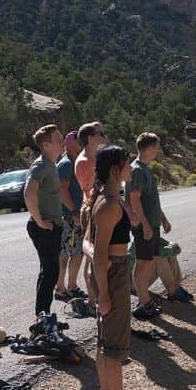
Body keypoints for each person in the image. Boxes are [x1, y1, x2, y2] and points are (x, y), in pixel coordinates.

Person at [80, 145, 145, 390]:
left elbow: (89, 244)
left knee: (105, 339)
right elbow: (99, 249)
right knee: (114, 347)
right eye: (127, 164)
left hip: (113, 271)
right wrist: (104, 292)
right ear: (116, 169)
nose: (131, 167)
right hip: (114, 275)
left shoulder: (111, 200)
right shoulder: (107, 205)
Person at [127, 132, 185, 319]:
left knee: (147, 262)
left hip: (151, 224)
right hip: (144, 226)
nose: (158, 151)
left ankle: (145, 301)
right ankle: (143, 303)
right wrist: (144, 224)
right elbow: (134, 199)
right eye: (156, 147)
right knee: (142, 264)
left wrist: (163, 218)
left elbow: (151, 200)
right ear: (149, 148)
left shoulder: (145, 168)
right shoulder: (137, 169)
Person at [23, 124, 64, 319]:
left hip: (52, 226)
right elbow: (29, 194)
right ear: (46, 145)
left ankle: (43, 315)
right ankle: (42, 317)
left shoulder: (52, 165)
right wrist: (39, 221)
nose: (62, 143)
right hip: (44, 227)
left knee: (50, 271)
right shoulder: (40, 165)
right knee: (50, 271)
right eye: (58, 140)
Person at [74, 122, 107, 304]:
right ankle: (93, 301)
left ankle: (97, 299)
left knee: (99, 255)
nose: (104, 137)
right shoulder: (85, 162)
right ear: (89, 138)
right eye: (100, 133)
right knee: (93, 257)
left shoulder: (94, 157)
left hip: (98, 208)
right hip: (92, 210)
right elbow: (91, 189)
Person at [55, 131, 86, 302]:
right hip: (68, 217)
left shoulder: (74, 162)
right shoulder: (66, 164)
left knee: (77, 252)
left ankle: (72, 286)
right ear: (70, 144)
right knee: (66, 253)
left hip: (74, 216)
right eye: (78, 141)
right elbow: (61, 189)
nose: (81, 144)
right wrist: (74, 212)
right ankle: (61, 288)